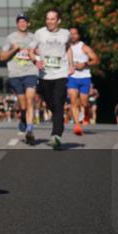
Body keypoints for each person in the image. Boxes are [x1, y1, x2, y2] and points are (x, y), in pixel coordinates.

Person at [34, 9, 72, 150]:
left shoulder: (65, 34)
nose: (49, 21)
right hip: (44, 75)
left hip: (60, 73)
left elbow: (68, 49)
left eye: (52, 19)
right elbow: (31, 50)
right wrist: (35, 60)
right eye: (47, 19)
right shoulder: (39, 33)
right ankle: (57, 124)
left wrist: (71, 65)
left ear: (58, 21)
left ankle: (56, 134)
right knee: (50, 104)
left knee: (58, 102)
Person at [0, 13, 40, 145]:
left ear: (28, 24)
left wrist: (36, 54)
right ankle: (23, 117)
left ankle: (30, 130)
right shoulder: (10, 38)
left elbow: (41, 53)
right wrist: (14, 50)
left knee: (30, 100)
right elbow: (2, 57)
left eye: (24, 22)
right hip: (15, 74)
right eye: (20, 22)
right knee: (23, 104)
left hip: (31, 72)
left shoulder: (34, 38)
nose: (22, 24)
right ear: (17, 24)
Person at [67, 26, 99, 137]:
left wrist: (85, 64)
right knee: (73, 100)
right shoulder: (65, 47)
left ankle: (86, 114)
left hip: (85, 77)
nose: (72, 36)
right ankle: (77, 126)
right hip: (72, 77)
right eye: (70, 34)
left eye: (75, 33)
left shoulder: (84, 47)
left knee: (84, 103)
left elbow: (96, 59)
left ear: (78, 35)